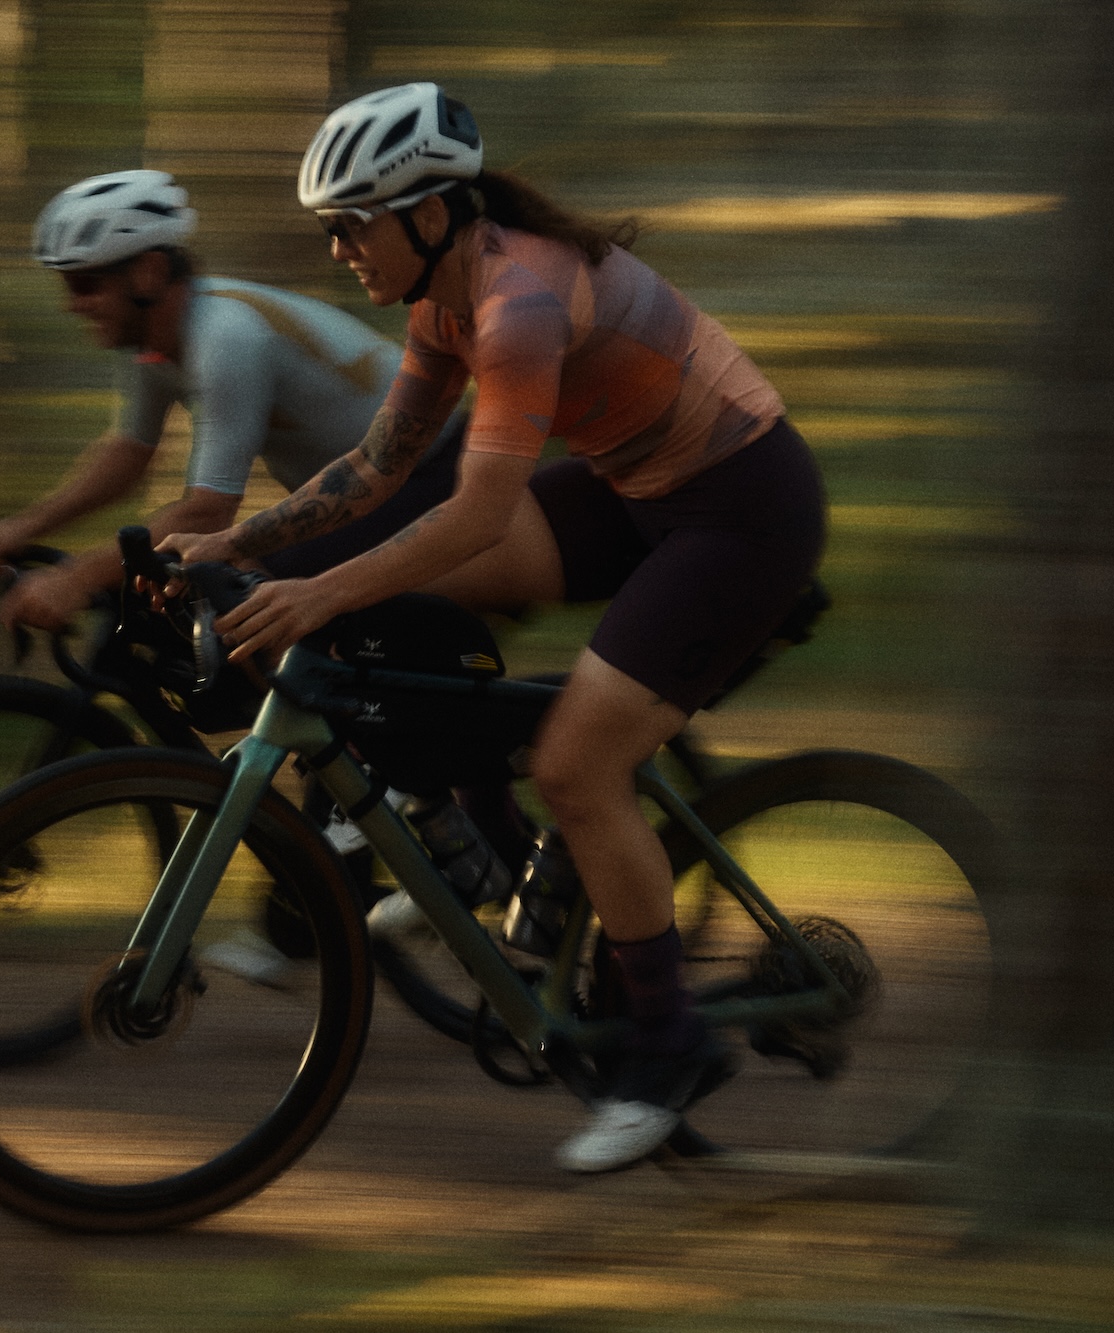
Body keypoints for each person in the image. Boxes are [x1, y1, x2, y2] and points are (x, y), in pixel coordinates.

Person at [162, 83, 827, 1174]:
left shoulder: (517, 302)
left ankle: (666, 1047)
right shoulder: (442, 300)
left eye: (349, 225)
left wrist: (319, 594)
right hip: (636, 489)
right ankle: (485, 852)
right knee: (429, 597)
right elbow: (378, 468)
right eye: (327, 229)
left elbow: (470, 513)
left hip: (740, 510)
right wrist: (244, 545)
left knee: (575, 760)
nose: (336, 251)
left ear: (428, 214)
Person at [0, 169, 466, 634]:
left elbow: (208, 514)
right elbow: (129, 453)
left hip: (433, 475)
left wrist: (76, 579)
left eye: (85, 283)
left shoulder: (225, 337)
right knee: (216, 597)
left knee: (249, 597)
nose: (72, 304)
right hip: (364, 493)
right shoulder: (154, 342)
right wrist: (21, 528)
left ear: (150, 273)